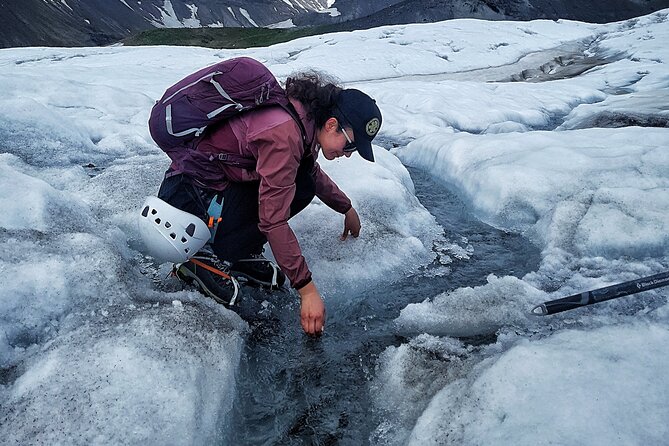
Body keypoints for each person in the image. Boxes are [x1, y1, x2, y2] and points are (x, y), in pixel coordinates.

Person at [155, 72, 382, 336]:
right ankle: (199, 255)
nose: (347, 154)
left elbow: (310, 172)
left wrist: (345, 206)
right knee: (291, 193)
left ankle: (238, 252)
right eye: (350, 146)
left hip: (211, 189)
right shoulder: (285, 133)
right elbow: (273, 220)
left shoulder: (303, 119)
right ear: (331, 125)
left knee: (301, 183)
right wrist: (307, 290)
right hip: (190, 201)